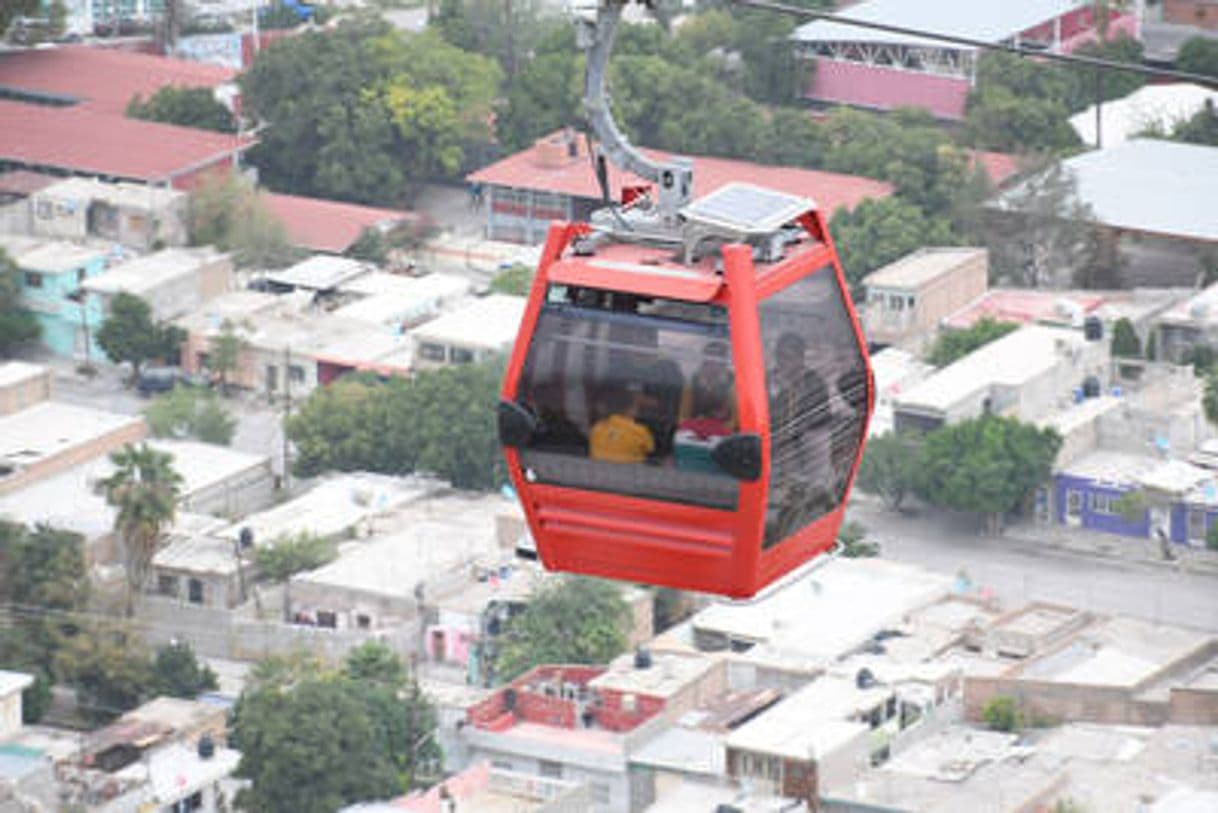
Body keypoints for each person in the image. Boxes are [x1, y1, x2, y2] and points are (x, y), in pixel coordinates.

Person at [589, 387, 655, 464]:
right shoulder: (640, 432)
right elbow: (650, 450)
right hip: (631, 472)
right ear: (631, 410)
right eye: (636, 407)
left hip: (598, 471)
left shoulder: (597, 428)